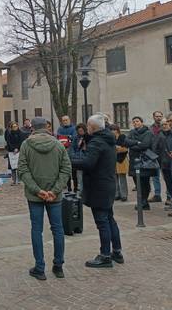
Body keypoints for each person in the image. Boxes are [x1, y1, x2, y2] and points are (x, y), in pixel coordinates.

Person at [18, 117, 71, 280]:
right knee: (58, 229)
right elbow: (66, 169)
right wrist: (55, 190)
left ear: (32, 128)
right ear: (47, 127)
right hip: (54, 196)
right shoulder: (57, 144)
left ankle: (40, 267)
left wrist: (37, 190)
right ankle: (58, 265)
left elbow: (22, 170)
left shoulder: (26, 144)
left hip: (35, 196)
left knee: (37, 230)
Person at [71, 115, 124, 268]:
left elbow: (88, 163)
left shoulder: (97, 143)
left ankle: (105, 255)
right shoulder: (107, 138)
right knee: (109, 218)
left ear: (92, 127)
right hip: (107, 184)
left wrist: (67, 160)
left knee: (102, 221)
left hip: (98, 186)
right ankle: (117, 252)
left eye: (88, 127)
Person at [124, 116, 153, 210]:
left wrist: (133, 145)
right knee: (137, 182)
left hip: (144, 160)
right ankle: (141, 201)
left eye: (137, 121)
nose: (135, 123)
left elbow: (145, 145)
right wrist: (137, 143)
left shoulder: (148, 132)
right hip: (133, 160)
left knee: (144, 181)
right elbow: (126, 142)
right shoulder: (131, 132)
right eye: (134, 121)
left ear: (141, 122)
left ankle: (144, 201)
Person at [156, 119, 172, 210]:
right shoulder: (159, 135)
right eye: (163, 124)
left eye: (166, 124)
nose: (164, 126)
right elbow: (156, 148)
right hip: (164, 164)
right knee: (169, 184)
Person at [109, 125, 129, 202]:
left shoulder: (122, 137)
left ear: (117, 130)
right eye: (111, 130)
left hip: (121, 160)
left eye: (113, 130)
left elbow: (125, 149)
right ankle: (116, 194)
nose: (112, 131)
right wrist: (116, 148)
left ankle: (124, 195)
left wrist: (116, 148)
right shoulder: (110, 138)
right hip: (113, 160)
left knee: (122, 178)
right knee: (114, 178)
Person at [148, 111, 164, 203]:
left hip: (164, 155)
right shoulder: (150, 128)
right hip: (154, 155)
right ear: (153, 117)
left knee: (166, 176)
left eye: (160, 116)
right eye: (157, 116)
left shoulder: (165, 126)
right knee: (155, 176)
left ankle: (169, 196)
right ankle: (157, 195)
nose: (159, 118)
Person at [67, 124, 88, 192]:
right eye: (79, 131)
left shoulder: (88, 137)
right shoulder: (76, 138)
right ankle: (80, 191)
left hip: (86, 159)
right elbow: (72, 148)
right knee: (79, 178)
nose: (80, 132)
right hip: (78, 159)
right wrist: (74, 156)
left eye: (81, 131)